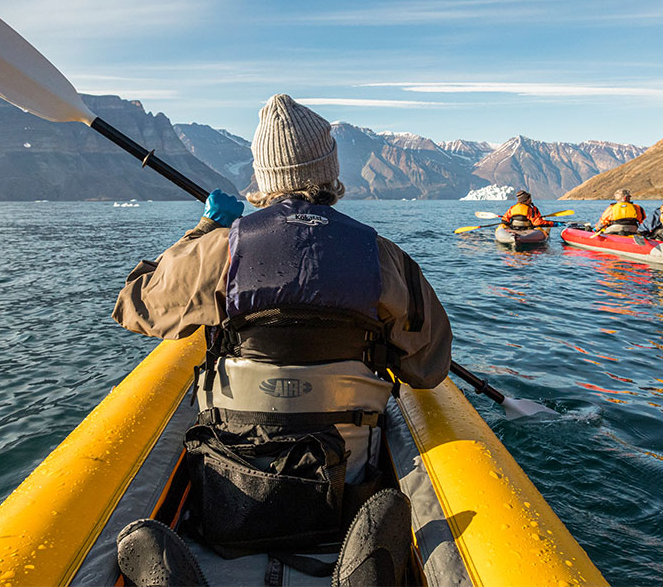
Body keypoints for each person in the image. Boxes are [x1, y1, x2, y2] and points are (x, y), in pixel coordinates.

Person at [111, 94, 453, 586]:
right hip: (344, 494)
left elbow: (134, 304)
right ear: (330, 172)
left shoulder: (219, 251)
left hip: (229, 493)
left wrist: (203, 231)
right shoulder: (383, 258)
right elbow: (429, 368)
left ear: (264, 177)